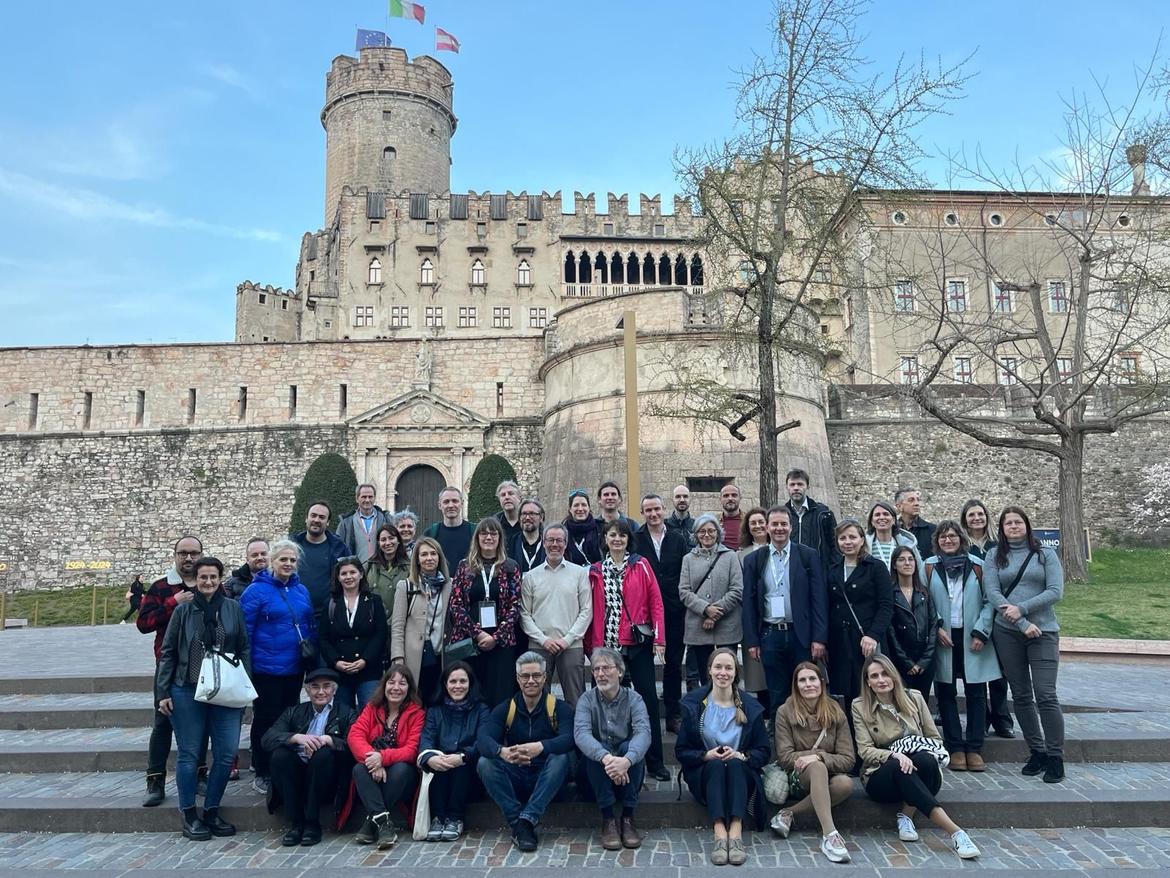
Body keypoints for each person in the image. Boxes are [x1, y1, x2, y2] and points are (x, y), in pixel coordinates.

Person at [155, 557, 249, 841]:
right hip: (188, 689)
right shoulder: (183, 611)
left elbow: (243, 647)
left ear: (221, 579)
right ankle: (189, 814)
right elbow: (169, 652)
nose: (208, 582)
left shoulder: (232, 608)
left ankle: (211, 809)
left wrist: (246, 685)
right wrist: (163, 691)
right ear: (195, 580)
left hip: (225, 689)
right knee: (189, 753)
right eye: (203, 577)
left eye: (213, 577)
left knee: (225, 753)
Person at [852, 654, 981, 859]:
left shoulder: (915, 697)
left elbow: (934, 739)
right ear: (867, 682)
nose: (881, 680)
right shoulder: (859, 706)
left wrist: (910, 753)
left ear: (894, 675)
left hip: (923, 772)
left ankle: (907, 814)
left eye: (885, 674)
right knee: (899, 765)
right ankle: (956, 832)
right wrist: (895, 754)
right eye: (874, 676)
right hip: (880, 778)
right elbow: (865, 750)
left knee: (923, 760)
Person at [983, 506, 1066, 783]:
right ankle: (1037, 751)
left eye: (1018, 522)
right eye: (1008, 523)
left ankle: (1055, 756)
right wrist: (1019, 621)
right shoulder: (994, 555)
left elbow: (1055, 591)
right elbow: (992, 592)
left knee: (1045, 694)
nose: (1014, 526)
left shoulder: (1045, 554)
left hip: (1043, 632)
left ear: (1027, 525)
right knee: (1020, 694)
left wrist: (1023, 609)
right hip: (1007, 632)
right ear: (1002, 528)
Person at [585, 518, 669, 781]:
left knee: (647, 700)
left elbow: (655, 602)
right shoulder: (595, 571)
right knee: (601, 703)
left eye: (622, 535)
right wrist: (591, 647)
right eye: (612, 535)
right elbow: (590, 610)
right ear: (605, 539)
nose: (617, 539)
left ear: (628, 539)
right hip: (606, 647)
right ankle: (604, 760)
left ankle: (655, 761)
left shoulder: (641, 566)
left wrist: (660, 638)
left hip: (636, 644)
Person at [675, 648, 770, 866]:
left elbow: (763, 751)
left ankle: (735, 831)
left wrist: (741, 754)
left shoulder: (751, 707)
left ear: (736, 673)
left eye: (728, 668)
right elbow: (681, 751)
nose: (723, 673)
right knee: (718, 765)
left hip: (741, 772)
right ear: (709, 671)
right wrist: (705, 755)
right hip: (706, 774)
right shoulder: (694, 705)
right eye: (718, 667)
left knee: (734, 763)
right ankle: (719, 832)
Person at [476, 651, 576, 852]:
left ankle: (525, 821)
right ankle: (520, 822)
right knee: (484, 763)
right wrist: (501, 752)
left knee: (561, 758)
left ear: (545, 677)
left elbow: (570, 739)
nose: (531, 681)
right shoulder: (507, 708)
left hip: (548, 780)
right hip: (516, 775)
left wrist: (541, 747)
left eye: (536, 675)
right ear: (518, 679)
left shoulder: (559, 708)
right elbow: (483, 739)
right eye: (525, 676)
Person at [240, 539, 317, 796]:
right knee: (265, 719)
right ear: (272, 562)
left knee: (288, 717)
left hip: (293, 668)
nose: (288, 564)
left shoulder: (301, 590)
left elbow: (308, 626)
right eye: (283, 559)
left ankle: (283, 764)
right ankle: (262, 768)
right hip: (265, 669)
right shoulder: (255, 591)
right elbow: (245, 633)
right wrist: (247, 669)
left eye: (292, 560)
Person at [925, 521, 999, 772]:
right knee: (945, 693)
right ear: (937, 540)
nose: (948, 540)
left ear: (961, 538)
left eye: (953, 536)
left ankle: (975, 748)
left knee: (976, 692)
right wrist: (937, 628)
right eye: (944, 537)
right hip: (943, 636)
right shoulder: (929, 567)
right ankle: (955, 746)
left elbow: (990, 601)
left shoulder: (978, 566)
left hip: (972, 636)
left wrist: (982, 630)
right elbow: (924, 601)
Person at [137, 535, 204, 808]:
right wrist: (173, 602)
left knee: (201, 723)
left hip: (202, 666)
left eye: (194, 553)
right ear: (175, 555)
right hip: (169, 667)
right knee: (163, 724)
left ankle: (200, 774)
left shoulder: (209, 583)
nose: (189, 558)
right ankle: (155, 780)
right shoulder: (161, 587)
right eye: (183, 553)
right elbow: (143, 623)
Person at [742, 507, 828, 711]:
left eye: (783, 524)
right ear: (767, 527)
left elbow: (818, 599)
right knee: (776, 691)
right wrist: (753, 640)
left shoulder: (808, 556)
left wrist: (819, 638)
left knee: (806, 688)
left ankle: (808, 736)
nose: (779, 528)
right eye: (775, 524)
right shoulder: (754, 559)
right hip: (771, 634)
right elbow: (749, 602)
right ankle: (780, 738)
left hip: (802, 635)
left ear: (790, 527)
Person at [262, 667, 356, 847]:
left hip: (326, 777)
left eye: (326, 686)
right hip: (296, 774)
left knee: (324, 754)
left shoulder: (347, 713)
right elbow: (267, 738)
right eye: (315, 687)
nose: (321, 692)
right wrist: (295, 737)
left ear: (334, 690)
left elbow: (354, 746)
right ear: (307, 690)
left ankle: (312, 822)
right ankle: (296, 823)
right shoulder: (294, 711)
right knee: (280, 755)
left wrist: (330, 740)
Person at [771, 662, 855, 863]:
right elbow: (784, 757)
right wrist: (814, 758)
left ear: (821, 682)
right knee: (816, 767)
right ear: (796, 685)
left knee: (846, 784)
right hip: (797, 776)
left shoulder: (835, 711)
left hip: (829, 773)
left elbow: (848, 758)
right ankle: (830, 835)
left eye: (812, 679)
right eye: (802, 680)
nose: (808, 684)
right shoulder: (785, 711)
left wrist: (818, 756)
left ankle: (789, 813)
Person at [574, 647, 650, 850]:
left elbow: (644, 733)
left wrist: (626, 761)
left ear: (620, 671)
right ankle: (608, 819)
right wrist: (607, 759)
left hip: (628, 774)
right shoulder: (586, 700)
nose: (600, 674)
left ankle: (627, 818)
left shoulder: (635, 699)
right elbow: (581, 734)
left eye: (606, 668)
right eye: (596, 669)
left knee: (630, 747)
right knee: (596, 749)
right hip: (595, 776)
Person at [448, 517, 524, 708]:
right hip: (469, 641)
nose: (488, 537)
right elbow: (456, 605)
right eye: (484, 533)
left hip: (502, 643)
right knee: (471, 692)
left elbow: (515, 606)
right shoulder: (464, 567)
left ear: (499, 538)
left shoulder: (511, 567)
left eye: (493, 533)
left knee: (500, 693)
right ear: (477, 538)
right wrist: (478, 633)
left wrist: (495, 638)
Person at [347, 664, 426, 848]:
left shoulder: (417, 713)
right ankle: (383, 824)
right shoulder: (372, 708)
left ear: (409, 688)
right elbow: (355, 735)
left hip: (403, 775)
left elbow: (412, 750)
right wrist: (374, 759)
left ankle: (370, 822)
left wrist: (382, 758)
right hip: (374, 769)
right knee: (359, 768)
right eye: (391, 682)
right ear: (384, 686)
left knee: (401, 770)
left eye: (402, 683)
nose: (396, 688)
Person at [633, 493, 688, 733]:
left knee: (674, 664)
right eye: (648, 510)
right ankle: (643, 714)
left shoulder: (678, 539)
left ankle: (673, 712)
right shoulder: (635, 540)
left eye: (657, 509)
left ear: (664, 510)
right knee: (642, 665)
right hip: (644, 613)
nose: (653, 514)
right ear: (642, 513)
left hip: (674, 610)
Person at [417, 661, 491, 842]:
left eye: (463, 681)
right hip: (441, 773)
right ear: (445, 684)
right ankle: (438, 817)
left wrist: (463, 756)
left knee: (460, 764)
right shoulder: (435, 711)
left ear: (470, 684)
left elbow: (483, 741)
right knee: (438, 762)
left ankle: (455, 817)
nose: (458, 686)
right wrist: (429, 757)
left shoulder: (481, 710)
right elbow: (426, 738)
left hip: (469, 773)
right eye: (453, 681)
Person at [520, 523, 592, 707]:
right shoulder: (530, 576)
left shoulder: (579, 573)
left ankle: (577, 735)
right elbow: (524, 613)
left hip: (571, 645)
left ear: (566, 543)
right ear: (543, 543)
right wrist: (543, 640)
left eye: (559, 540)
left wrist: (567, 640)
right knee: (538, 698)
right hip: (539, 644)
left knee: (576, 698)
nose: (555, 544)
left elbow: (586, 610)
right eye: (550, 540)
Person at [960, 499, 1015, 739]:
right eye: (971, 515)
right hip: (977, 614)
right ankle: (980, 719)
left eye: (980, 514)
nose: (976, 519)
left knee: (1000, 673)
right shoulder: (962, 548)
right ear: (965, 520)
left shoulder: (998, 546)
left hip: (1000, 611)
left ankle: (1002, 719)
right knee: (978, 671)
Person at [826, 519, 894, 706]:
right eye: (842, 538)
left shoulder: (875, 567)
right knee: (848, 695)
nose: (847, 542)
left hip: (867, 640)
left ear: (862, 540)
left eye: (852, 537)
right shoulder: (833, 570)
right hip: (840, 641)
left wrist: (873, 635)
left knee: (872, 689)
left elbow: (886, 605)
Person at [678, 513, 743, 686]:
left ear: (718, 532)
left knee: (728, 675)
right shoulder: (688, 559)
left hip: (727, 626)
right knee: (706, 676)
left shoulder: (731, 556)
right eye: (702, 531)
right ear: (696, 534)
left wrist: (714, 614)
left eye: (711, 531)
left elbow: (737, 590)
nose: (707, 535)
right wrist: (705, 609)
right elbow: (684, 591)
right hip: (699, 627)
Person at [388, 536, 452, 705]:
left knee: (439, 702)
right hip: (414, 656)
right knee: (415, 702)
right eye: (424, 555)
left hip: (441, 655)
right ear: (416, 559)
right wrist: (398, 658)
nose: (429, 558)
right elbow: (397, 626)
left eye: (433, 554)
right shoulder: (406, 586)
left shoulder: (449, 586)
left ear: (440, 557)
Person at [318, 557, 388, 710]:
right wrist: (336, 661)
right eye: (343, 573)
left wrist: (365, 660)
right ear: (338, 577)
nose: (348, 577)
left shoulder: (373, 601)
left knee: (370, 714)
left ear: (361, 574)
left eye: (352, 572)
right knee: (342, 717)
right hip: (339, 672)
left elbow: (380, 634)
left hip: (369, 670)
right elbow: (323, 638)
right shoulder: (330, 603)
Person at [888, 546, 937, 701]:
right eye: (901, 560)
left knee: (922, 702)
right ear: (894, 565)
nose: (907, 563)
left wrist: (925, 660)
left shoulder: (924, 592)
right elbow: (890, 631)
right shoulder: (890, 593)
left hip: (924, 657)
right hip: (900, 657)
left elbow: (933, 625)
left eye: (910, 559)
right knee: (903, 701)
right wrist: (906, 662)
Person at [293, 501, 350, 621]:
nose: (317, 520)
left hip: (328, 617)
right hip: (295, 615)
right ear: (306, 518)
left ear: (328, 522)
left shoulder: (339, 549)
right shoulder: (291, 547)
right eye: (313, 515)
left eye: (322, 517)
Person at [735, 513, 770, 710]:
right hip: (753, 617)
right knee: (758, 672)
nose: (757, 526)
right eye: (753, 523)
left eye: (761, 522)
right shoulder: (741, 555)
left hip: (780, 617)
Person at [784, 469, 838, 567]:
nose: (796, 488)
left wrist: (832, 572)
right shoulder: (782, 514)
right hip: (789, 573)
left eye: (800, 484)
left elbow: (835, 544)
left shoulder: (823, 514)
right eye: (792, 484)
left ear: (807, 486)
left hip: (817, 572)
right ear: (787, 487)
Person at [365, 523, 410, 637]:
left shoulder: (410, 567)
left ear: (398, 540)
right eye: (383, 539)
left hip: (401, 629)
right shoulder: (369, 567)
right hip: (373, 628)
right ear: (378, 543)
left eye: (391, 538)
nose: (388, 543)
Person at [866, 500, 924, 574]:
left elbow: (919, 571)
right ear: (872, 522)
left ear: (893, 520)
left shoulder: (908, 545)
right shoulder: (864, 546)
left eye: (885, 514)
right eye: (877, 515)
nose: (881, 517)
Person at [336, 484, 390, 564]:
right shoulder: (346, 522)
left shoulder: (385, 519)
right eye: (364, 497)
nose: (367, 500)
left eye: (370, 497)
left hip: (380, 570)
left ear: (374, 498)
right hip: (355, 571)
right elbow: (338, 546)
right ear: (357, 499)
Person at [423, 486, 476, 567]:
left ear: (462, 504)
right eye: (446, 502)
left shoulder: (475, 531)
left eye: (455, 501)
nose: (451, 505)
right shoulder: (430, 533)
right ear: (439, 505)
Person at [894, 487, 936, 562]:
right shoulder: (893, 531)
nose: (917, 503)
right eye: (911, 500)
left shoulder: (933, 530)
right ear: (899, 506)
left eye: (918, 500)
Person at [564, 489, 602, 567]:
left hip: (597, 576)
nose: (580, 509)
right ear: (570, 509)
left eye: (584, 505)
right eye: (576, 505)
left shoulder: (600, 528)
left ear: (589, 508)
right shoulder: (562, 532)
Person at [510, 498, 547, 574]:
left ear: (541, 517)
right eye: (524, 513)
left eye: (532, 513)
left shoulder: (548, 543)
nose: (527, 517)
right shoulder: (511, 542)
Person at [494, 480, 524, 547]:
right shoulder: (494, 523)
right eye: (503, 495)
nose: (507, 497)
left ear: (519, 497)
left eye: (510, 493)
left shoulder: (528, 521)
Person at [718, 484, 743, 550]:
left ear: (740, 498)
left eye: (734, 495)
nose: (730, 498)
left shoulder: (749, 521)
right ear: (720, 499)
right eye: (726, 496)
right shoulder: (714, 522)